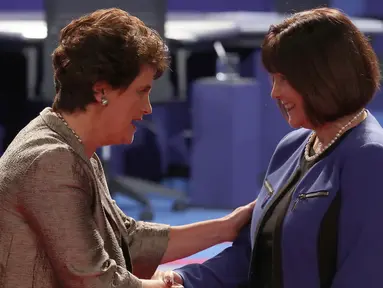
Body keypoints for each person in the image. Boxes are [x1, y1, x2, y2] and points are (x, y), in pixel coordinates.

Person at [0, 8, 256, 288]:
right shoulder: (51, 160)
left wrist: (227, 227)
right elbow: (96, 282)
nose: (147, 108)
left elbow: (126, 239)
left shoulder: (68, 144)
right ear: (102, 92)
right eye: (141, 92)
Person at [157, 7, 383, 288]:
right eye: (273, 78)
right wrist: (182, 279)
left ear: (325, 77)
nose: (274, 92)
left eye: (284, 79)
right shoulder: (292, 145)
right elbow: (253, 254)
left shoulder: (372, 159)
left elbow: (365, 275)